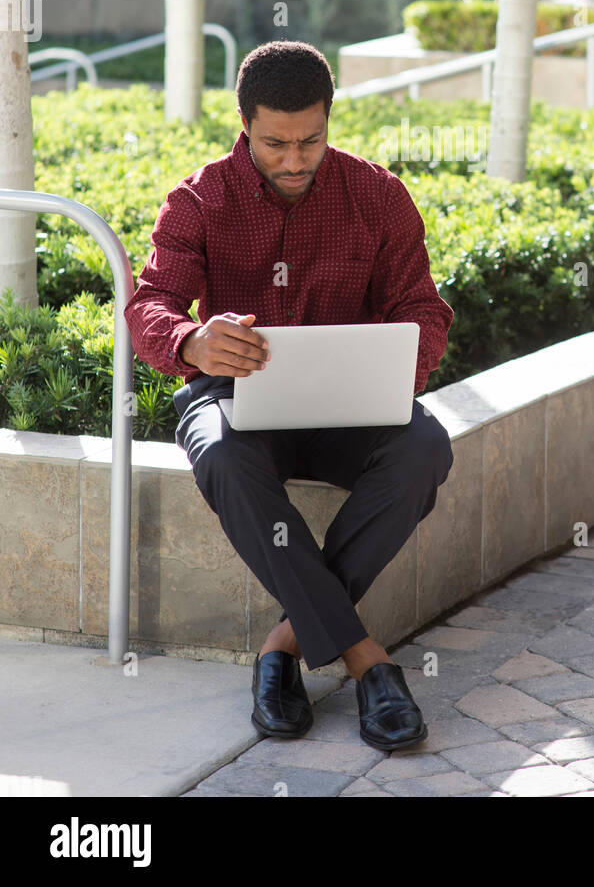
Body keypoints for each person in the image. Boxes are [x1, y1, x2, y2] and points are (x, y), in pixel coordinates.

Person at [123, 40, 455, 752]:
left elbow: (424, 310)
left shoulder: (378, 195)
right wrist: (191, 341)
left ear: (329, 120)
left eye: (311, 139)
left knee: (423, 448)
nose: (295, 158)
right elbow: (149, 306)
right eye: (275, 143)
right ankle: (367, 659)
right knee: (219, 452)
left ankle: (284, 646)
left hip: (352, 404)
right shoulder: (199, 198)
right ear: (244, 125)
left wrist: (401, 369)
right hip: (238, 399)